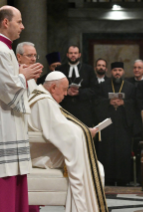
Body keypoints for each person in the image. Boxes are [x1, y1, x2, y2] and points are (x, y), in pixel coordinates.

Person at [0, 6, 43, 212]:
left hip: (8, 128)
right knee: (3, 187)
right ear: (6, 23)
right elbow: (6, 90)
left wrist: (20, 73)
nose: (23, 26)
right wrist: (24, 76)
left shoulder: (4, 50)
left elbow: (7, 83)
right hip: (1, 129)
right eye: (19, 22)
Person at [28, 71, 108, 212]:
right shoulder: (44, 101)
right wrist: (86, 132)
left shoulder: (43, 98)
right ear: (53, 87)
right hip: (41, 155)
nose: (65, 94)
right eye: (64, 90)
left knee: (94, 165)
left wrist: (83, 131)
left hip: (44, 150)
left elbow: (61, 127)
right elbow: (60, 131)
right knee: (93, 167)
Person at [94, 62, 136, 185]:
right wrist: (108, 102)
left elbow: (135, 103)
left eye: (120, 70)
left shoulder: (130, 86)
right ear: (111, 72)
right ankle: (108, 178)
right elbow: (96, 102)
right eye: (115, 70)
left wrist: (124, 103)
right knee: (108, 152)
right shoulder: (103, 86)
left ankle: (123, 179)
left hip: (123, 125)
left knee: (122, 151)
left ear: (123, 72)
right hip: (108, 125)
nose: (117, 73)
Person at [57, 45, 98, 127]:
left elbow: (95, 89)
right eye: (71, 53)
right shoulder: (60, 69)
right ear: (67, 55)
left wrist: (80, 92)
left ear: (79, 55)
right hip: (65, 108)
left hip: (84, 110)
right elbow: (54, 88)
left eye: (75, 53)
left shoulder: (88, 69)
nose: (73, 55)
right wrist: (66, 91)